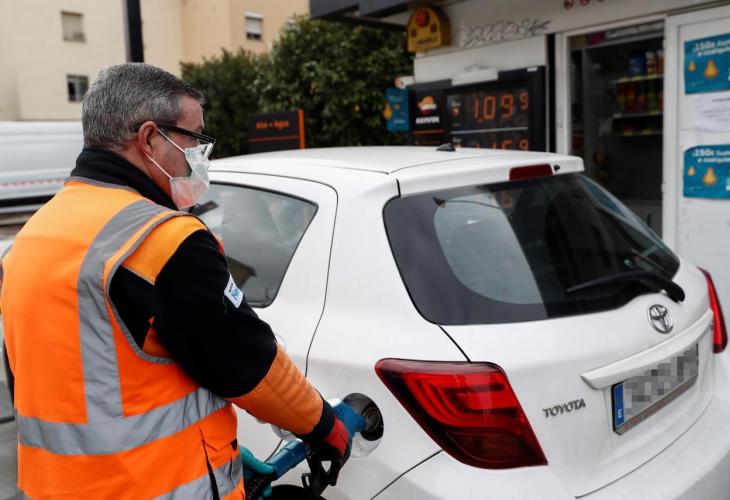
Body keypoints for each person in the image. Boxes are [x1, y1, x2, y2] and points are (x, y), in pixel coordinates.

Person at [0, 63, 351, 499]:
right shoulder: (163, 240)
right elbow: (247, 363)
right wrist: (324, 426)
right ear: (150, 139)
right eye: (194, 138)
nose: (200, 154)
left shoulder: (30, 239)